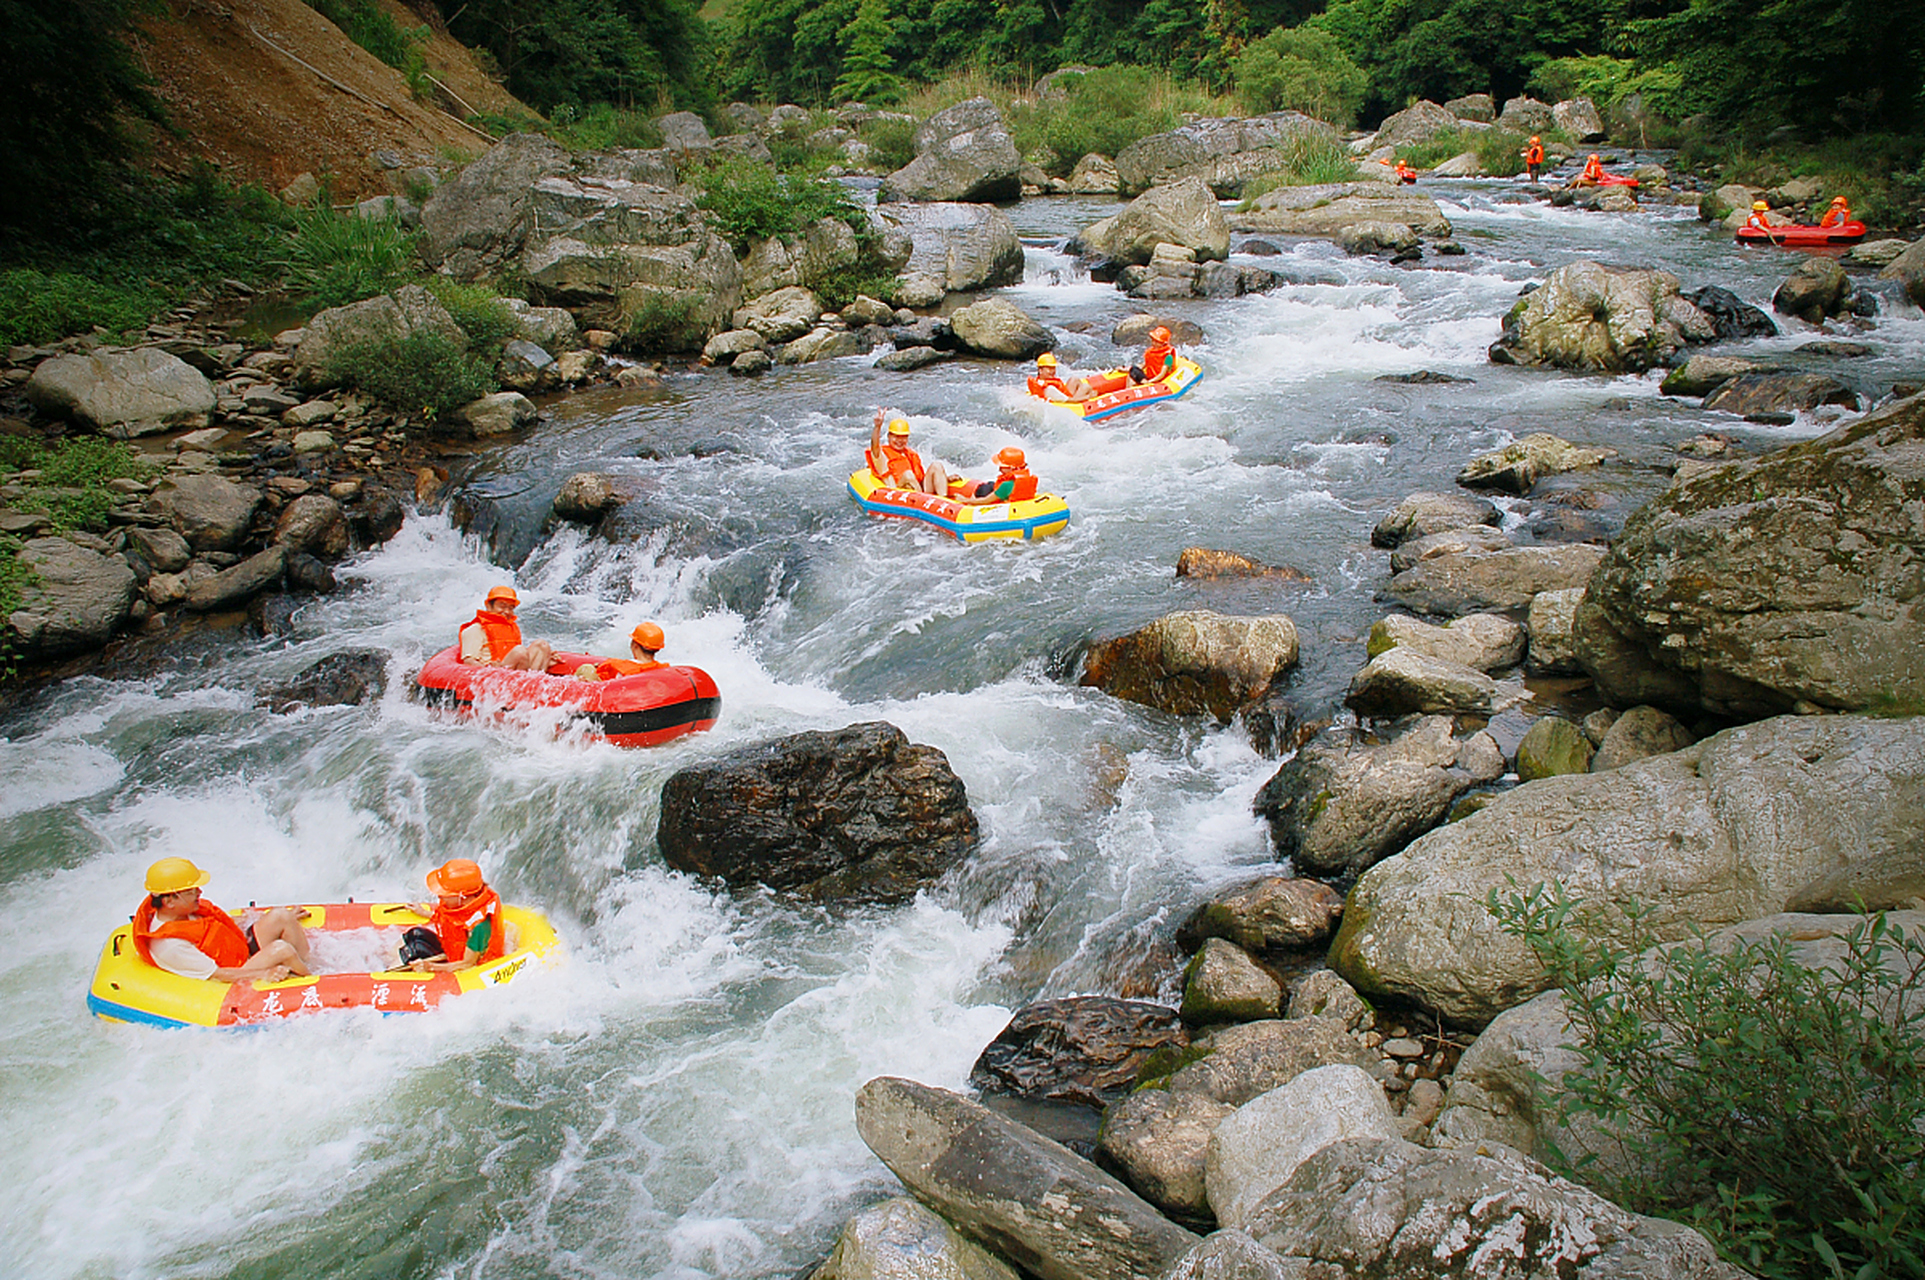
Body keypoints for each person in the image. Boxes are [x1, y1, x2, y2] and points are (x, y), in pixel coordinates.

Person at [132, 857, 313, 983]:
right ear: (169, 901)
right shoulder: (171, 946)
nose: (199, 893)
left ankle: (310, 964)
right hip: (234, 972)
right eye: (191, 891)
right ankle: (313, 981)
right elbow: (218, 975)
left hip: (237, 952)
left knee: (281, 915)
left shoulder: (184, 911)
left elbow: (220, 924)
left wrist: (271, 917)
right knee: (282, 949)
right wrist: (265, 973)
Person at [399, 858, 507, 973]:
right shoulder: (464, 903)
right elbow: (454, 919)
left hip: (463, 965)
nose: (439, 896)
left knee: (415, 950)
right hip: (453, 950)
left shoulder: (480, 927)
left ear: (462, 896)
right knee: (415, 934)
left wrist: (429, 967)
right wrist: (425, 913)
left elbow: (467, 965)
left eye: (444, 893)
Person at [458, 586, 555, 672]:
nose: (507, 611)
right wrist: (488, 670)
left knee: (542, 645)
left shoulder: (511, 628)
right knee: (519, 651)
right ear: (488, 606)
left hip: (511, 669)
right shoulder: (474, 629)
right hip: (494, 674)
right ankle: (525, 684)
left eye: (511, 608)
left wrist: (545, 658)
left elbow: (518, 657)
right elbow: (468, 661)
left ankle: (534, 684)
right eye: (502, 606)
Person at [866, 410, 952, 496]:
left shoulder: (910, 454)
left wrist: (945, 479)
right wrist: (877, 427)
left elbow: (921, 480)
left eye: (903, 437)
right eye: (896, 436)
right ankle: (923, 500)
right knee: (908, 475)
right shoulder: (882, 455)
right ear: (889, 437)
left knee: (936, 465)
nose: (900, 440)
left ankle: (943, 498)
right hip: (898, 493)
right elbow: (875, 446)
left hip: (918, 490)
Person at [576, 622, 667, 682]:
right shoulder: (662, 669)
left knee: (587, 668)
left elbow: (602, 677)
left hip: (614, 699)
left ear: (635, 645)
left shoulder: (620, 667)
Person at [953, 447, 1040, 505]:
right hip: (1020, 505)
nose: (999, 469)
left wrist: (965, 500)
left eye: (1002, 466)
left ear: (1011, 468)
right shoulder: (1027, 478)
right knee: (990, 485)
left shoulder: (1006, 486)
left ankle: (973, 496)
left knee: (982, 490)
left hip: (1007, 509)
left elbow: (985, 500)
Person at [1027, 353, 1092, 401]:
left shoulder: (1039, 381)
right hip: (1068, 402)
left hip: (1062, 396)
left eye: (1053, 368)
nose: (1052, 371)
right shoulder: (1049, 389)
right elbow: (1071, 401)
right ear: (1040, 370)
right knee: (1086, 387)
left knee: (1074, 379)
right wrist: (1088, 396)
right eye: (1049, 369)